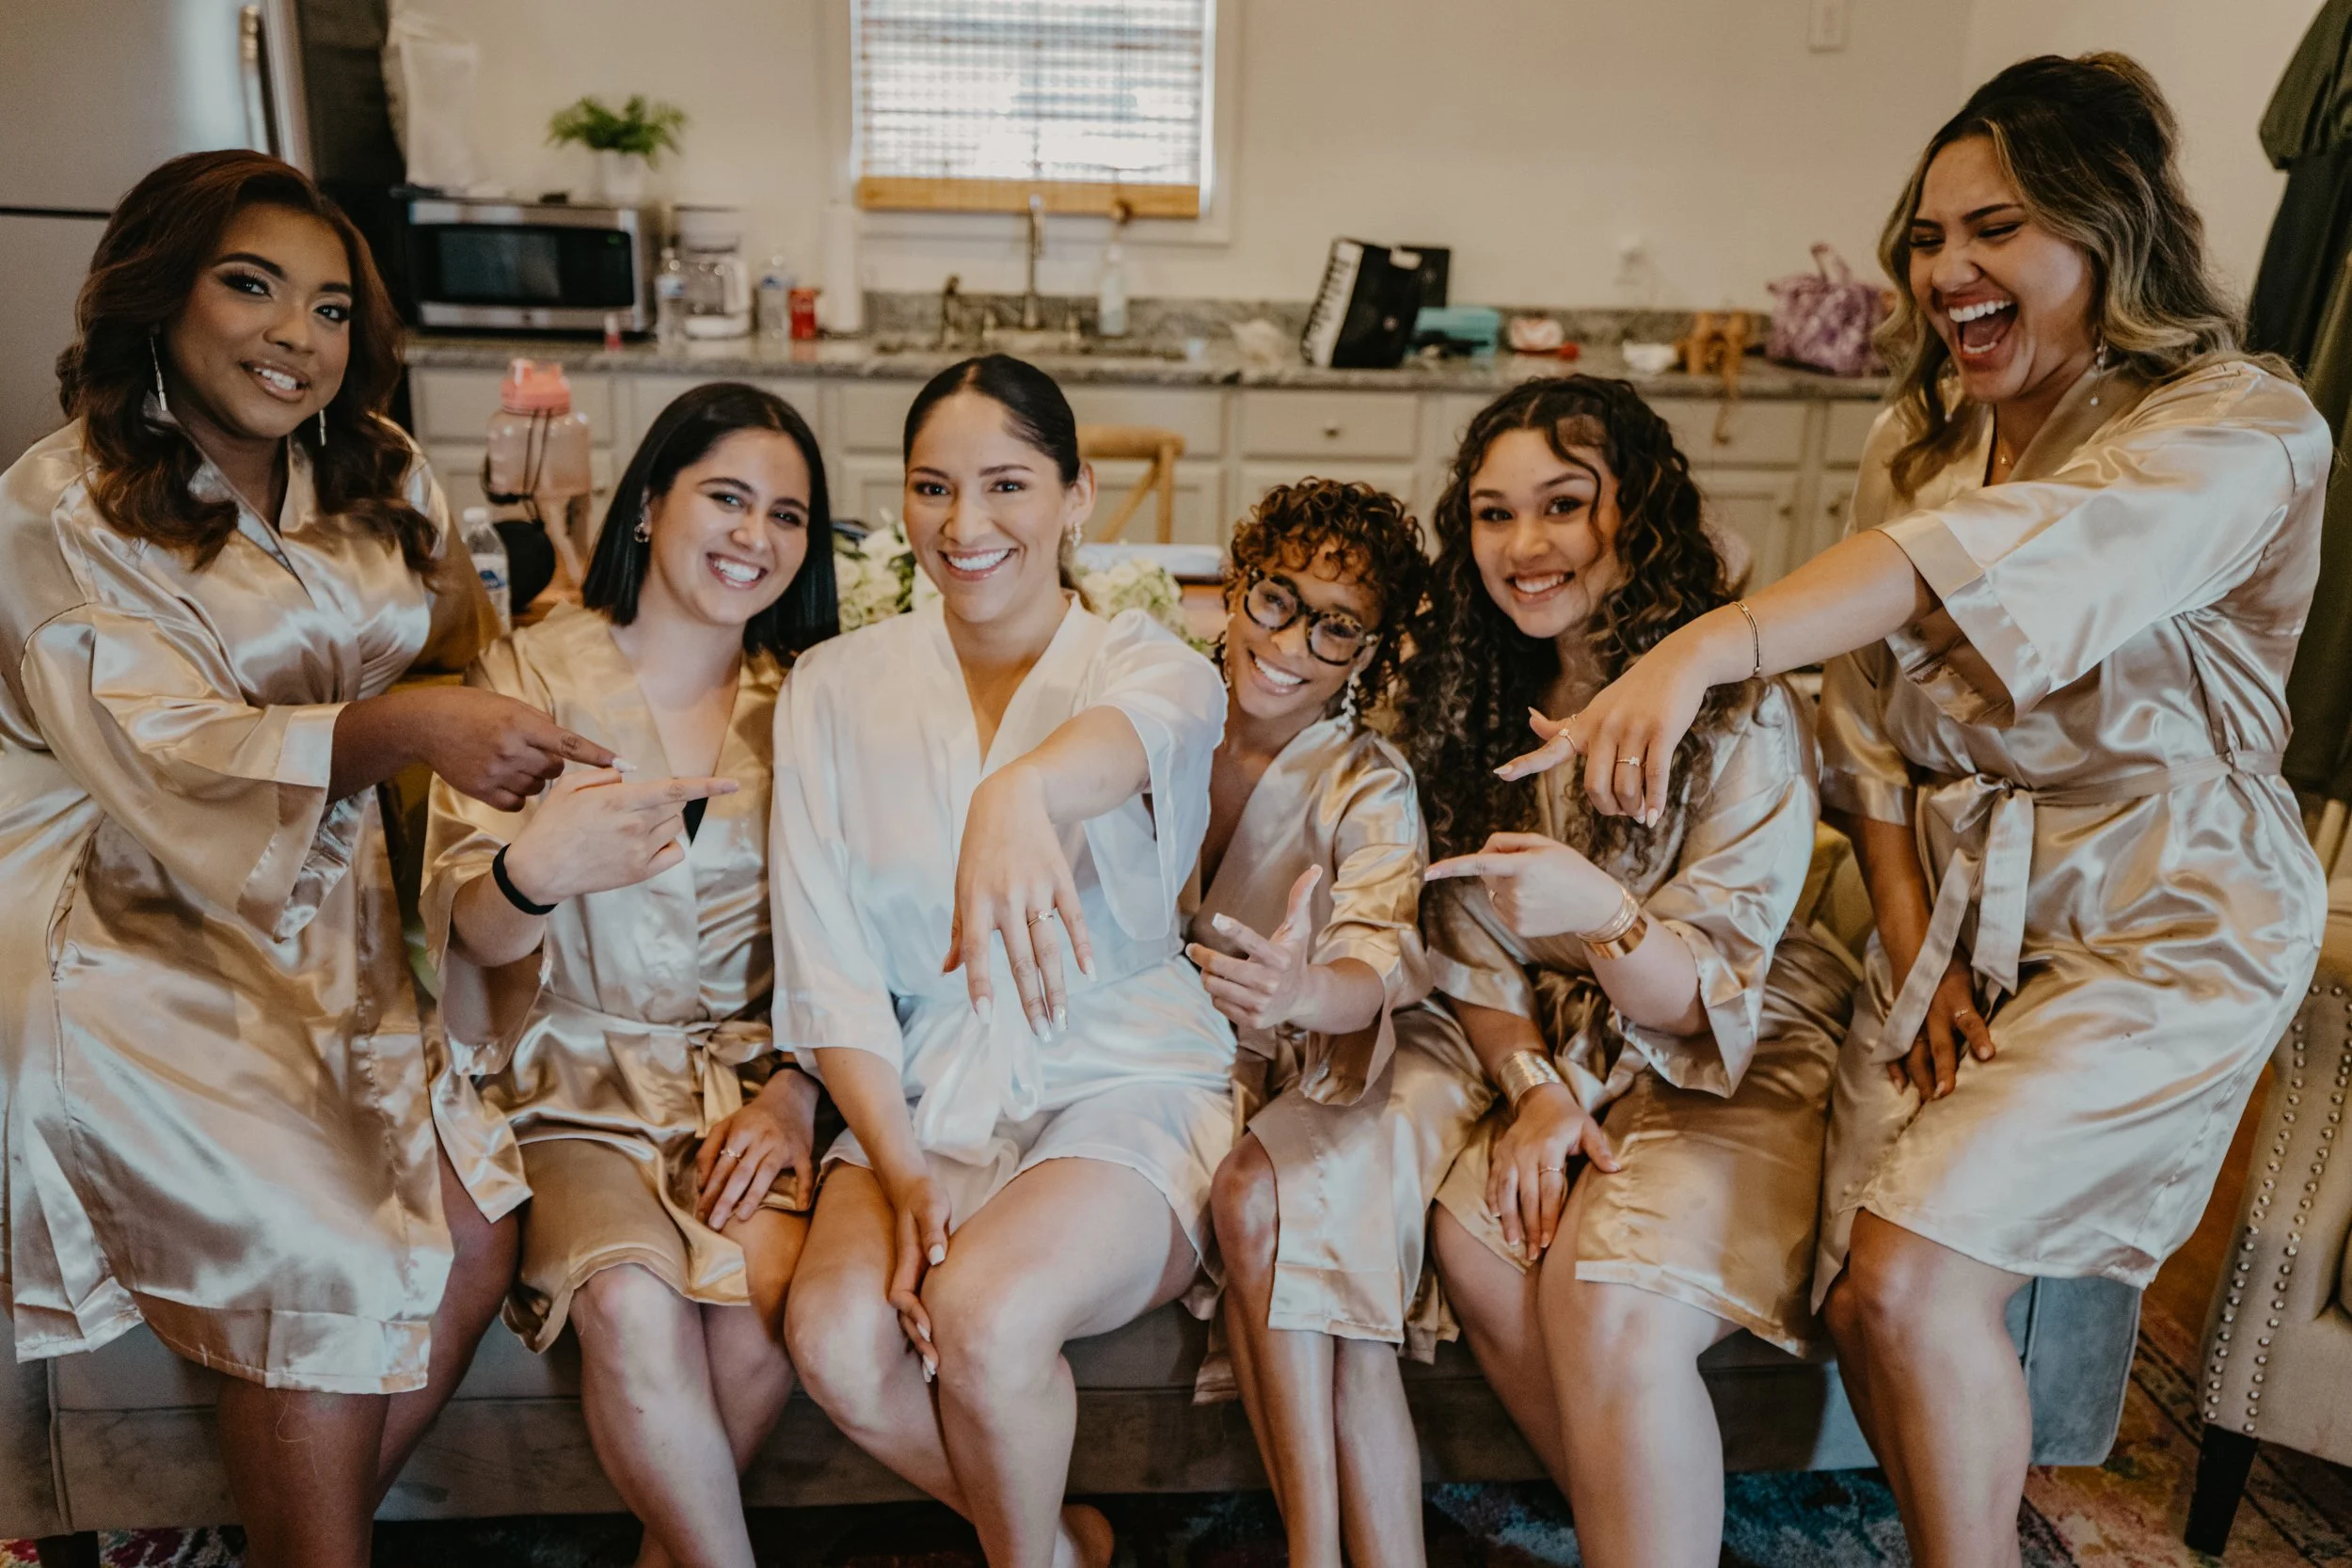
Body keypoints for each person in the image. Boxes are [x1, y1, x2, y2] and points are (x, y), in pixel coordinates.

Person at [1546, 55, 2328, 1568]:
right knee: (1861, 1291)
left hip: (2172, 917)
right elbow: (1867, 723)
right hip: (1968, 909)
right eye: (1927, 234)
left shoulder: (2240, 427)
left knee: (1912, 1274)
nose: (1946, 268)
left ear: (2109, 230)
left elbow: (1979, 559)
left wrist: (1706, 643)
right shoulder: (1918, 434)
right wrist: (1916, 939)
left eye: (1996, 228)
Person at [0, 150, 615, 1567]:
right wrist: (408, 726)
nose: (297, 335)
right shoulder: (60, 505)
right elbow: (164, 750)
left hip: (343, 917)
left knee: (476, 1226)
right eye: (251, 286)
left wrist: (493, 846)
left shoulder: (375, 467)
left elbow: (466, 658)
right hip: (126, 925)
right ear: (159, 295)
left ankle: (240, 1548)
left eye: (331, 308)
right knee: (334, 1244)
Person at [775, 356, 1233, 1568]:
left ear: (1077, 497)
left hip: (1126, 1072)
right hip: (923, 1082)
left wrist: (1019, 791)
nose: (964, 523)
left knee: (981, 1312)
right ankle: (1059, 1549)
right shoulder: (829, 688)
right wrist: (899, 1167)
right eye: (933, 486)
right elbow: (829, 971)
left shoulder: (1153, 664)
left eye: (1007, 484)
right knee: (833, 1339)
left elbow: (1132, 741)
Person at [1407, 376, 1854, 1568]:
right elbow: (1472, 958)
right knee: (1478, 1237)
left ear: (1638, 510)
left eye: (1563, 504)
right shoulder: (1476, 691)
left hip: (1731, 1049)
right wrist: (1533, 1090)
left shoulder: (1739, 708)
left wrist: (1602, 913)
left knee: (1605, 1286)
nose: (1524, 545)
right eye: (1493, 514)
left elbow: (1700, 1000)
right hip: (1577, 1053)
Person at [423, 383, 836, 1568]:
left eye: (788, 514)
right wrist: (532, 876)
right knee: (628, 1296)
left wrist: (796, 1089)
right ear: (649, 503)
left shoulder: (809, 706)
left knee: (763, 1314)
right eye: (727, 497)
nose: (755, 535)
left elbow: (860, 942)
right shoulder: (529, 674)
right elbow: (465, 929)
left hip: (746, 1094)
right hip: (571, 1084)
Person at [1185, 480, 1435, 1568]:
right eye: (1277, 599)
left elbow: (1370, 967)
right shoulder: (1156, 711)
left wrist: (1296, 992)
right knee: (1270, 1232)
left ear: (1369, 652)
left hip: (1318, 1059)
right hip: (1156, 1050)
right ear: (1236, 585)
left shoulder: (1369, 780)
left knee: (1270, 1209)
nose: (1290, 644)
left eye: (1336, 627)